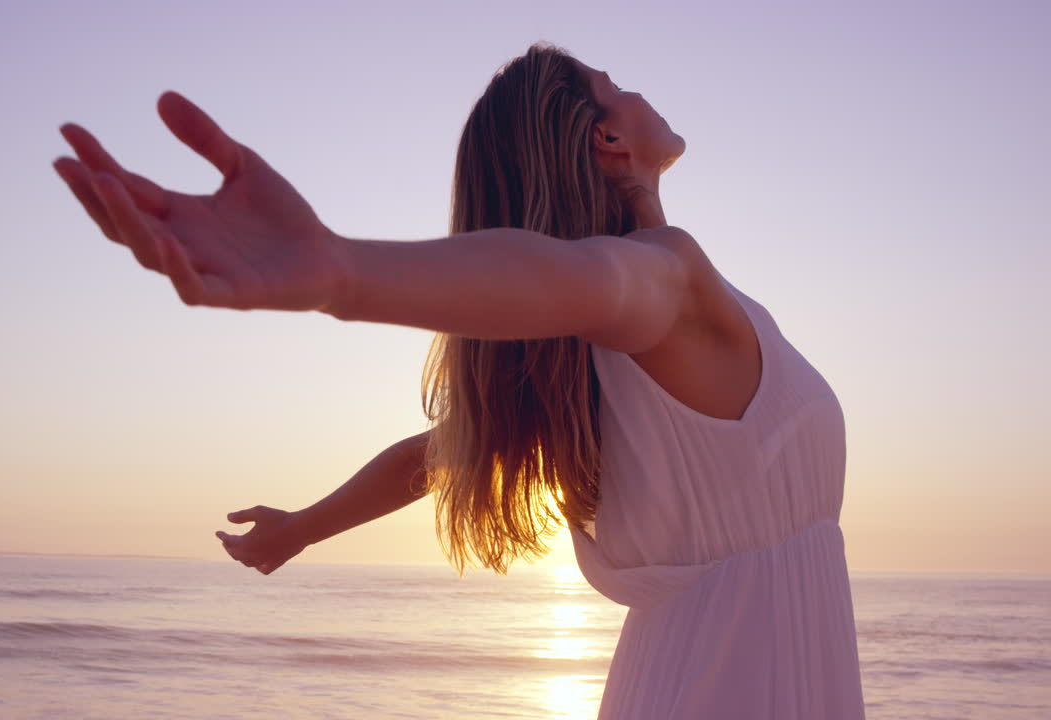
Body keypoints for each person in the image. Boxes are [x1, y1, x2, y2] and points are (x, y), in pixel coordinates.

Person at [53, 42, 865, 720]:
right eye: (614, 84)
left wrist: (301, 528)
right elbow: (587, 280)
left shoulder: (595, 361)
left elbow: (433, 455)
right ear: (608, 139)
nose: (637, 87)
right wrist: (343, 274)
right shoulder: (663, 278)